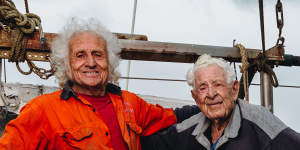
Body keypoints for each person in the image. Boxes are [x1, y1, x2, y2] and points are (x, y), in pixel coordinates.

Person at [0, 18, 199, 150]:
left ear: (109, 62)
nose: (91, 62)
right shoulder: (42, 110)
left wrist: (221, 103)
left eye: (98, 54)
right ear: (67, 65)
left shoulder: (130, 104)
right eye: (80, 55)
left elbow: (175, 117)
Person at [142, 54, 300, 150]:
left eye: (218, 84)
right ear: (196, 97)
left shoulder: (259, 121)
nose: (211, 94)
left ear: (234, 89)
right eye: (203, 88)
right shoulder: (189, 129)